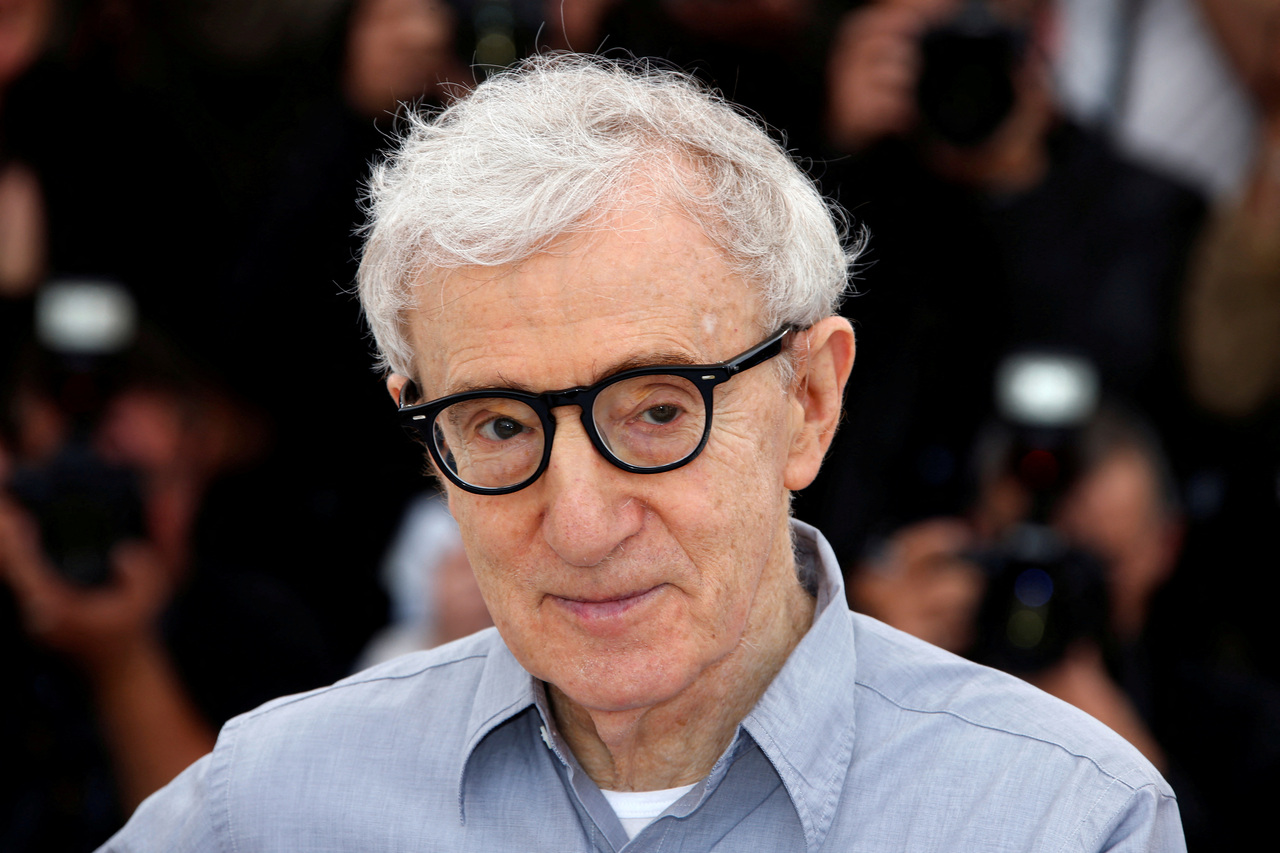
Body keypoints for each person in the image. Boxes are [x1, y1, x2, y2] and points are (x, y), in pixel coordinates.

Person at [97, 54, 1184, 851]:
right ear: (424, 434)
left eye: (658, 412)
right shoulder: (271, 804)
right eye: (500, 425)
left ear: (809, 402)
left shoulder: (1061, 818)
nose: (580, 521)